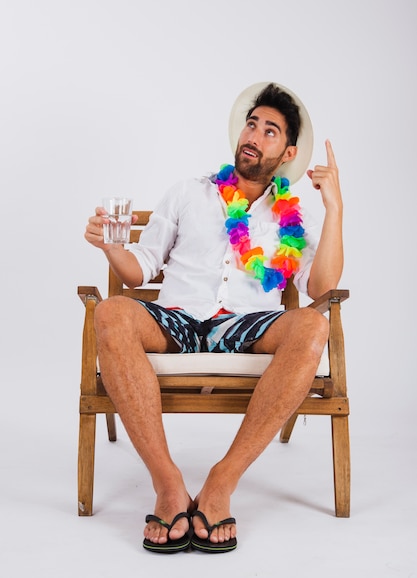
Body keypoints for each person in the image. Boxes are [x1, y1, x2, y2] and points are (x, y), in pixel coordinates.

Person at [84, 82, 343, 554]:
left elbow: (321, 290)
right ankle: (168, 484)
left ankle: (222, 481)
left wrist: (335, 209)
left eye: (269, 131)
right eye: (251, 123)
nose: (254, 135)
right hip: (178, 319)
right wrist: (110, 245)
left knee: (312, 324)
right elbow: (141, 267)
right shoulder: (188, 193)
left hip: (246, 325)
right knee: (113, 312)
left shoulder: (291, 219)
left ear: (286, 153)